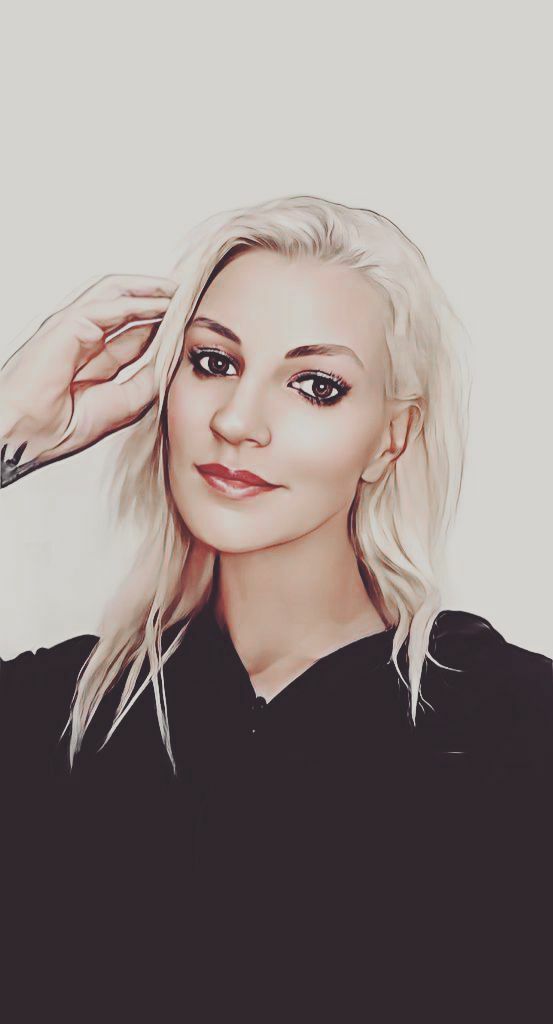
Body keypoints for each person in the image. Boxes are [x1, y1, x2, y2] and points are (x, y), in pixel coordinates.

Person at [1, 194, 551, 1022]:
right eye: (212, 362)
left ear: (391, 438)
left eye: (316, 386)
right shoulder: (49, 715)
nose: (236, 421)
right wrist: (5, 425)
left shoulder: (518, 728)